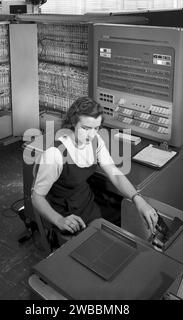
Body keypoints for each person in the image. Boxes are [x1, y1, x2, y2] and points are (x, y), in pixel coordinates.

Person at [31, 96, 158, 239]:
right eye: (85, 128)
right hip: (67, 213)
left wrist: (137, 198)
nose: (91, 135)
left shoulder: (95, 141)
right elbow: (36, 197)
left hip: (86, 201)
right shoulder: (55, 154)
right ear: (73, 122)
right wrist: (59, 220)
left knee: (128, 219)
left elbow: (114, 172)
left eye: (96, 128)